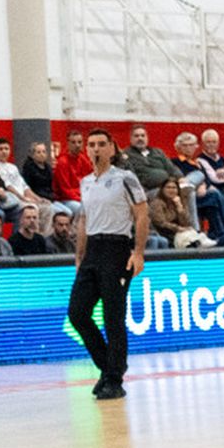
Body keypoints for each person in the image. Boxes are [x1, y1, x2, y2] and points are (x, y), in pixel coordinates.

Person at [68, 128, 149, 402]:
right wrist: (79, 256)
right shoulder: (86, 182)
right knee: (77, 313)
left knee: (113, 317)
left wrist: (138, 252)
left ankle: (113, 379)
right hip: (93, 248)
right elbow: (83, 220)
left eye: (101, 144)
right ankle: (109, 367)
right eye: (91, 144)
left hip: (117, 248)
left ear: (112, 148)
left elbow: (141, 214)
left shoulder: (125, 178)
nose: (96, 149)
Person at [172, 131, 224, 238]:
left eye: (191, 145)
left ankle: (220, 233)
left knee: (212, 203)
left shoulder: (196, 163)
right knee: (214, 194)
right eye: (185, 145)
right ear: (178, 147)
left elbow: (207, 179)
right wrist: (198, 186)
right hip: (186, 197)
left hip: (201, 195)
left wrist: (204, 186)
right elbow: (179, 179)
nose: (189, 148)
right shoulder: (175, 162)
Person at [149, 178, 210, 249]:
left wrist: (179, 207)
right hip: (166, 234)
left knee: (191, 233)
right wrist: (178, 228)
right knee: (189, 239)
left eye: (174, 188)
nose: (171, 190)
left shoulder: (179, 202)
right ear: (162, 189)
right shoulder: (156, 203)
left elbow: (187, 223)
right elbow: (160, 223)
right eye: (168, 187)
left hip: (180, 233)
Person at [51, 130, 90, 213]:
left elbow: (91, 178)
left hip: (81, 196)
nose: (77, 145)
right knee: (82, 209)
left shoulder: (82, 159)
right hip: (65, 199)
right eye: (73, 142)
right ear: (68, 144)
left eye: (79, 142)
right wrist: (82, 199)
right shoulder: (63, 162)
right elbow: (65, 190)